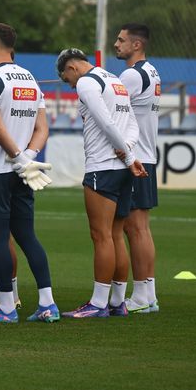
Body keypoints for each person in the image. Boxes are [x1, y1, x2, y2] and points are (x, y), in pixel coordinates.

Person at [0, 23, 59, 323]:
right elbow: (42, 128)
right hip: (23, 172)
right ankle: (47, 303)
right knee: (27, 236)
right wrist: (29, 159)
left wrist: (20, 158)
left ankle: (7, 308)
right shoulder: (30, 79)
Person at [55, 48, 145, 319]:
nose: (71, 86)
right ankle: (118, 302)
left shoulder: (86, 81)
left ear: (71, 68)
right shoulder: (115, 79)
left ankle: (98, 303)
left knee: (101, 236)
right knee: (116, 235)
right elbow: (132, 123)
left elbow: (105, 122)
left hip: (102, 167)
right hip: (122, 169)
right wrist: (128, 150)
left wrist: (127, 155)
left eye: (66, 80)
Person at [114, 22, 162, 314]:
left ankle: (143, 297)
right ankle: (148, 294)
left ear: (137, 45)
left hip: (137, 157)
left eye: (121, 40)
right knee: (139, 228)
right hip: (146, 154)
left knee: (135, 229)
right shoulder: (151, 71)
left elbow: (111, 107)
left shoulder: (132, 75)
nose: (116, 44)